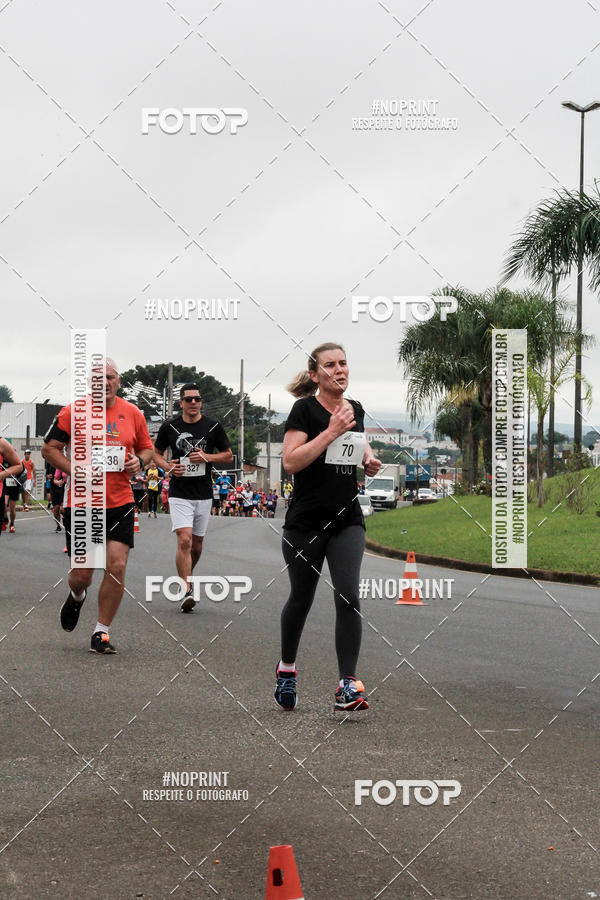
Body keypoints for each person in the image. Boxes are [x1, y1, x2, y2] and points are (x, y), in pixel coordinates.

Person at [274, 342, 381, 713]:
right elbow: (291, 462)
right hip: (306, 521)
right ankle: (286, 669)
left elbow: (357, 444)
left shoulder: (356, 409)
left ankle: (347, 684)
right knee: (301, 600)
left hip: (346, 519)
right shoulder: (304, 410)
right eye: (330, 365)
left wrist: (368, 460)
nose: (339, 370)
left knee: (348, 594)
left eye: (344, 363)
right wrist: (330, 431)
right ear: (316, 374)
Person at [42, 358, 154, 653]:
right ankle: (77, 596)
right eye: (97, 378)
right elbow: (50, 449)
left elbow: (147, 448)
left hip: (120, 501)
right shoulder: (72, 412)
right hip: (82, 502)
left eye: (110, 377)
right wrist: (73, 468)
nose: (104, 382)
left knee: (116, 564)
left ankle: (101, 631)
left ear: (118, 381)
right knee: (83, 575)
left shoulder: (132, 413)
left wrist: (138, 461)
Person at [153, 383, 233, 613]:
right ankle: (186, 589)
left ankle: (187, 573)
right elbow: (155, 454)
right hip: (179, 492)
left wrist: (206, 457)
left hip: (204, 493)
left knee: (196, 546)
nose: (193, 403)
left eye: (197, 399)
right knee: (184, 540)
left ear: (201, 402)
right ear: (181, 403)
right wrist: (168, 467)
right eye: (188, 399)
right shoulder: (170, 426)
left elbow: (228, 455)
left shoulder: (213, 426)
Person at [0, 439, 24, 538]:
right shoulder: (4, 462)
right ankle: (5, 519)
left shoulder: (2, 444)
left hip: (13, 485)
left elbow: (19, 467)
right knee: (6, 504)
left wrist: (2, 475)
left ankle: (12, 523)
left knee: (12, 507)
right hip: (6, 485)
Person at [51, 466, 67, 532]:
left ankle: (67, 525)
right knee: (56, 509)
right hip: (55, 488)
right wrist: (57, 482)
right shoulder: (56, 464)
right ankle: (58, 526)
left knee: (62, 509)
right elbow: (55, 479)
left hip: (65, 488)